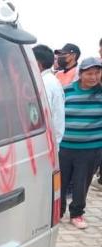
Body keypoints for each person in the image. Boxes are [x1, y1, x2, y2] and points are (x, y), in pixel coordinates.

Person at [59, 57, 102, 229]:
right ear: (81, 74)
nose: (93, 77)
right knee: (60, 182)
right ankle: (58, 212)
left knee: (81, 183)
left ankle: (77, 213)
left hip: (90, 149)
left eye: (97, 73)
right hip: (65, 147)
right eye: (89, 73)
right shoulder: (67, 91)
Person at [33, 45, 65, 145]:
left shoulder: (45, 83)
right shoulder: (50, 80)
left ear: (37, 63)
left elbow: (40, 115)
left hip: (47, 142)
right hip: (52, 139)